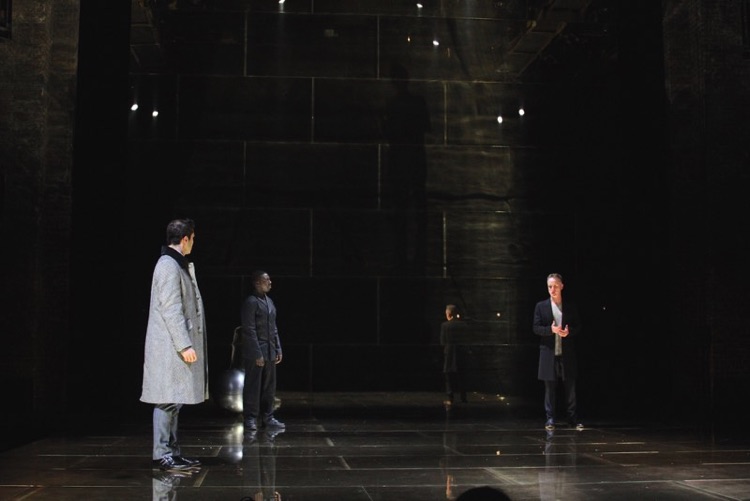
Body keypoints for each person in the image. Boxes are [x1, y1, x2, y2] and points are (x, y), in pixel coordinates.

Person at [141, 218, 208, 471]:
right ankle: (162, 454)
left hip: (174, 346)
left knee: (174, 400)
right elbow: (171, 309)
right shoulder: (168, 266)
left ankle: (172, 452)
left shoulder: (177, 264)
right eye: (193, 238)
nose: (194, 243)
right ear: (185, 238)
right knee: (166, 400)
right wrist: (184, 345)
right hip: (169, 347)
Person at [533, 273, 583, 431]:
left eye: (555, 286)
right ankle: (550, 419)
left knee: (570, 388)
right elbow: (536, 328)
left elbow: (578, 327)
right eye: (550, 286)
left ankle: (572, 419)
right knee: (549, 388)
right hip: (549, 353)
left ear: (562, 286)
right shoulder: (541, 306)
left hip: (566, 353)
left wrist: (569, 332)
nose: (552, 289)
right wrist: (551, 330)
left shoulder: (569, 307)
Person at [241, 270, 285, 432]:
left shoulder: (269, 302)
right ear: (257, 283)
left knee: (269, 387)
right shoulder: (251, 302)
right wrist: (256, 353)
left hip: (270, 351)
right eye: (266, 280)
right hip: (257, 352)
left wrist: (278, 348)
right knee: (253, 386)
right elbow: (249, 329)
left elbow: (274, 328)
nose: (270, 282)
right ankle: (250, 418)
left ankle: (268, 416)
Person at [440, 304, 467, 407]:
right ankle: (463, 397)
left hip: (449, 352)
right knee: (462, 375)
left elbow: (442, 341)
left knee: (448, 375)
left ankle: (450, 397)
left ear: (449, 314)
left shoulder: (445, 325)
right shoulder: (463, 325)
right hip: (461, 352)